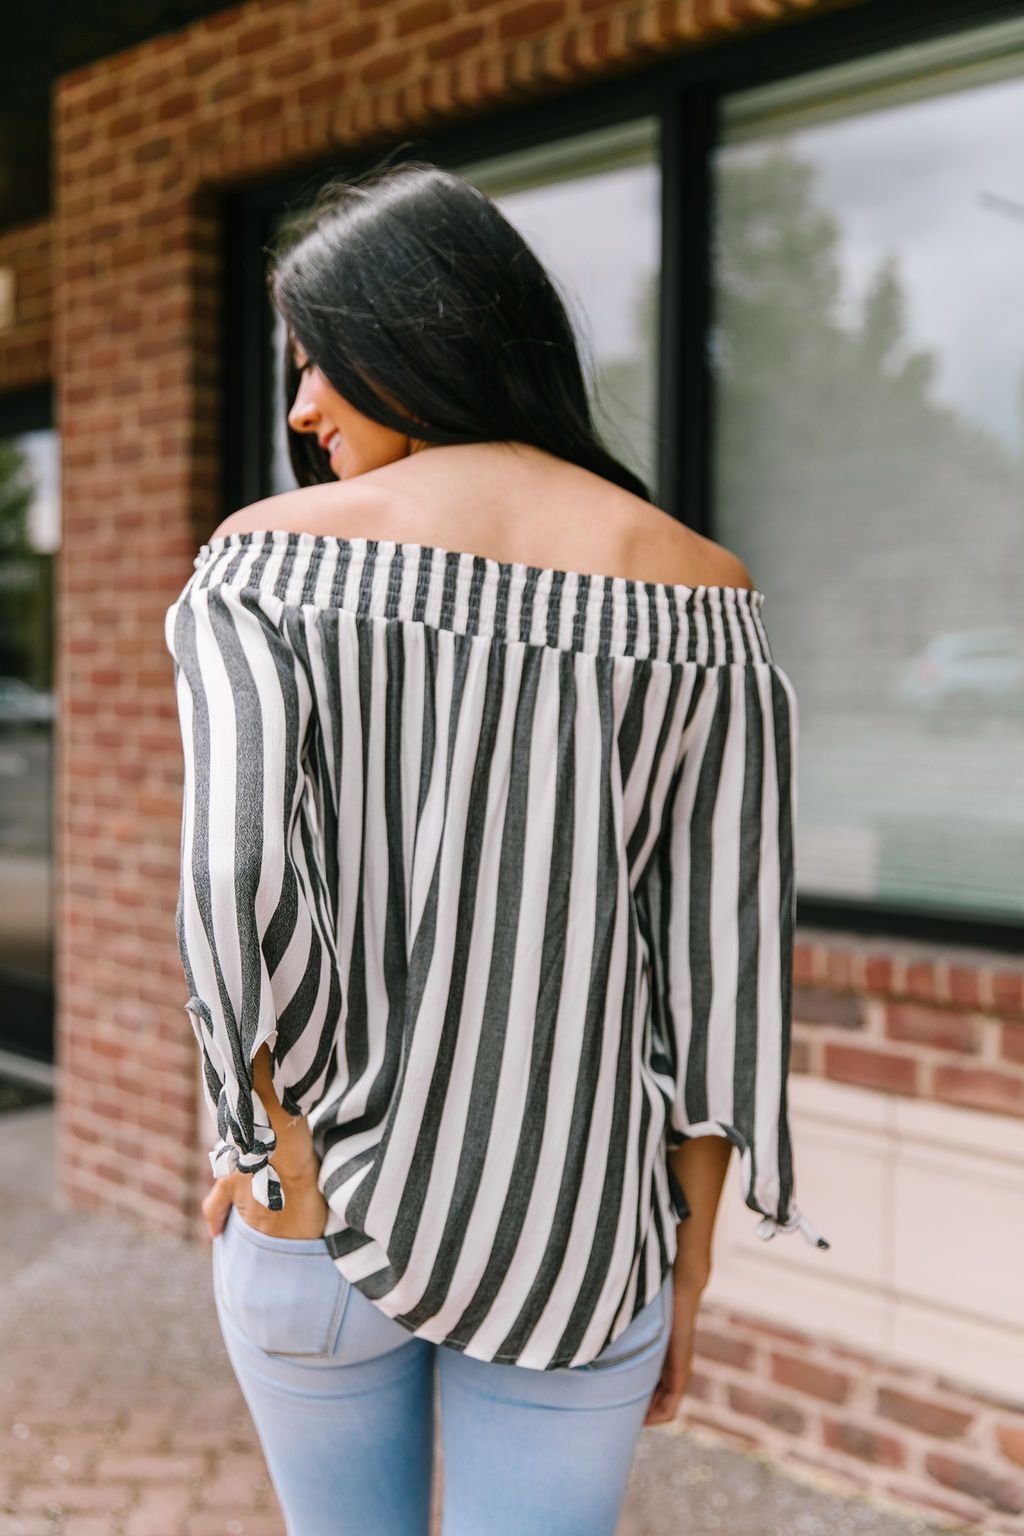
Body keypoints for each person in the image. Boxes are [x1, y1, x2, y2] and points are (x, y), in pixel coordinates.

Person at [164, 158, 829, 1536]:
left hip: (318, 1204)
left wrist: (260, 1124)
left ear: (416, 338)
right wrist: (686, 1264)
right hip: (586, 1236)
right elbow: (723, 965)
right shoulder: (703, 594)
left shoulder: (267, 564)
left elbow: (236, 879)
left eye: (321, 364)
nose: (300, 409)